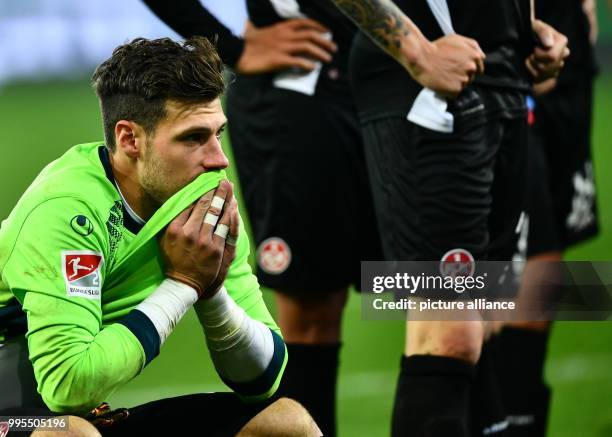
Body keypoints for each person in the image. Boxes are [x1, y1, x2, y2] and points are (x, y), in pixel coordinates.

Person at [0, 36, 320, 437]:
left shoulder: (203, 198)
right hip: (16, 417)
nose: (218, 158)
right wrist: (182, 284)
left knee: (285, 424)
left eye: (217, 133)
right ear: (130, 139)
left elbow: (263, 380)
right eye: (192, 138)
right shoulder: (66, 211)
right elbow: (68, 387)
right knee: (70, 434)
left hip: (82, 416)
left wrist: (211, 289)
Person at [330, 0, 568, 435]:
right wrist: (418, 51)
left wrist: (525, 27)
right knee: (447, 331)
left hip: (501, 76)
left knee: (479, 326)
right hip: (427, 85)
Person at [142, 2, 382, 435]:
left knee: (453, 294)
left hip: (420, 91)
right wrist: (232, 47)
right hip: (305, 98)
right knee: (313, 309)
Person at [495, 1, 600, 435]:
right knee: (505, 279)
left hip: (566, 51)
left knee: (545, 277)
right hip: (503, 54)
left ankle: (519, 419)